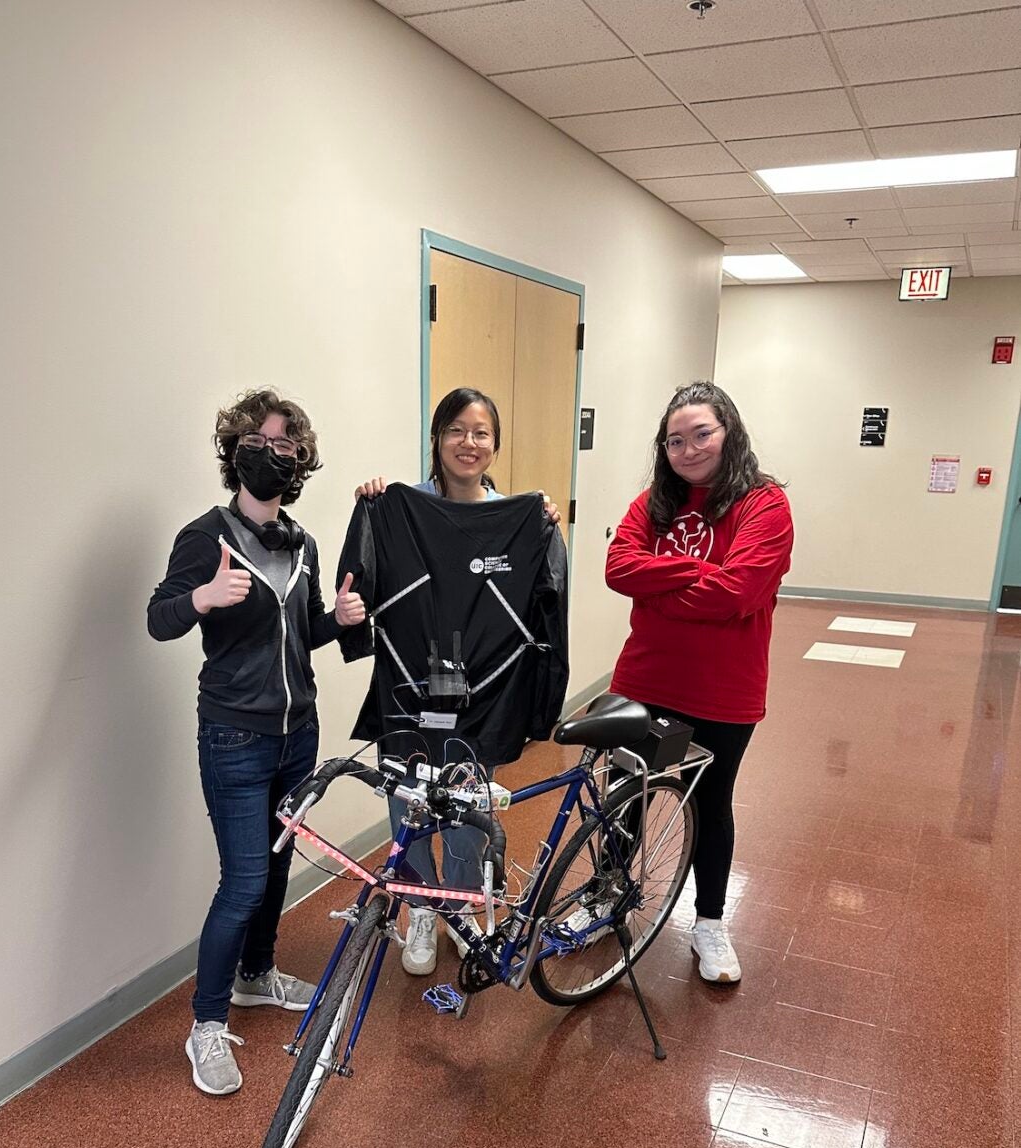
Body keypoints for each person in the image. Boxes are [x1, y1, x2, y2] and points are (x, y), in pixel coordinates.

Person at [148, 388, 365, 1095]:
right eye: (261, 442)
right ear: (236, 450)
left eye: (287, 446)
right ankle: (206, 1024)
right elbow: (159, 619)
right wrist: (200, 600)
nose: (274, 455)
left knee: (274, 871)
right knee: (241, 881)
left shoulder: (301, 542)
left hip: (297, 737)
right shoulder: (203, 536)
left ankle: (255, 976)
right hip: (234, 736)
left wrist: (336, 617)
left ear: (300, 462)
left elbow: (303, 631)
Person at [355, 386, 562, 978]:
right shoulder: (398, 509)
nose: (468, 443)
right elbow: (360, 586)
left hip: (482, 697)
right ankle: (420, 908)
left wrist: (540, 522)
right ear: (437, 439)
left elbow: (549, 604)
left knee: (470, 808)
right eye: (456, 430)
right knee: (410, 806)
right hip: (408, 694)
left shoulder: (522, 519)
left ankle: (462, 907)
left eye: (481, 433)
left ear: (495, 446)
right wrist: (373, 505)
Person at [605, 380, 793, 985]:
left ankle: (708, 923)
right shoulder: (652, 503)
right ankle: (605, 897)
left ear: (729, 431)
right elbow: (618, 569)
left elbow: (739, 592)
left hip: (723, 693)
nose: (687, 450)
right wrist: (697, 571)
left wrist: (659, 589)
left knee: (710, 805)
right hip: (646, 679)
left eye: (701, 434)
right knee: (625, 794)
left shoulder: (765, 504)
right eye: (674, 440)